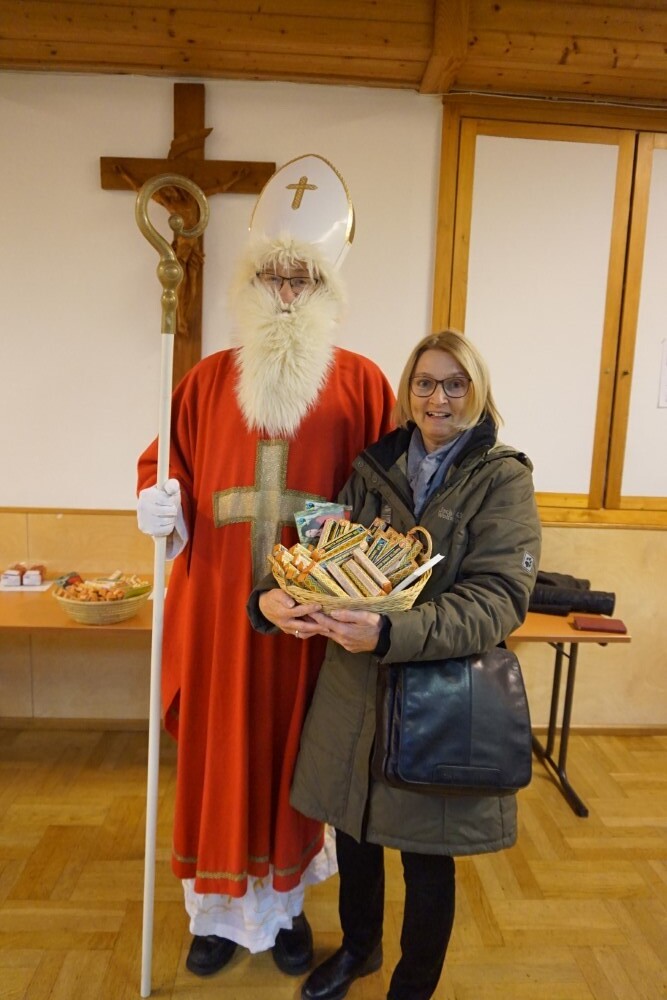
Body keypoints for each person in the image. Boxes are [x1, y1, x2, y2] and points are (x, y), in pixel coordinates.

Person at [136, 155, 395, 980]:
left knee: (297, 767)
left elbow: (387, 501)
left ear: (325, 289)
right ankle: (213, 918)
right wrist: (158, 504)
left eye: (303, 278)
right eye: (274, 276)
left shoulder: (362, 384)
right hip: (219, 616)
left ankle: (285, 911)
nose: (287, 291)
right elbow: (165, 467)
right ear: (251, 284)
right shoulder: (205, 381)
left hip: (307, 630)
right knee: (220, 764)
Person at [251, 329, 541, 1000]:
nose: (438, 398)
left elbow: (498, 601)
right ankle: (360, 949)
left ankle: (412, 986)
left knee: (426, 858)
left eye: (454, 384)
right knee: (355, 832)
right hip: (354, 689)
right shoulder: (374, 466)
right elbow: (326, 555)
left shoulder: (502, 478)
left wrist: (388, 632)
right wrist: (276, 596)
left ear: (477, 392)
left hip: (437, 695)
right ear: (407, 392)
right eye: (424, 383)